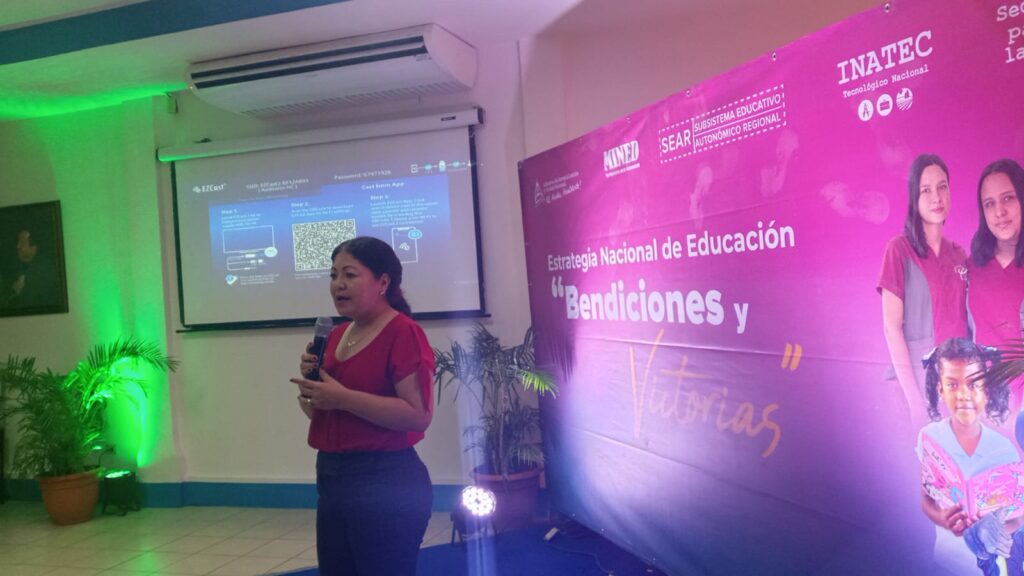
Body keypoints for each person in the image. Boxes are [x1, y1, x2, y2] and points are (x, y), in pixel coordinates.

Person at [290, 236, 434, 576]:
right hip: (333, 477)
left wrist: (341, 397)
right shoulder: (336, 335)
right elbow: (331, 415)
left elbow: (418, 415)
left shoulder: (403, 332)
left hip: (385, 481)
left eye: (350, 275)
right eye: (333, 275)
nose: (338, 284)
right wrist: (314, 395)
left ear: (383, 282)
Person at [878, 154, 969, 428]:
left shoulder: (959, 255)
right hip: (916, 387)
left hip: (956, 388)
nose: (936, 197)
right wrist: (916, 404)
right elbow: (891, 329)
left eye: (942, 187)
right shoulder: (899, 250)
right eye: (926, 190)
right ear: (914, 199)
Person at [917, 337, 1021, 575]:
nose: (963, 395)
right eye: (952, 385)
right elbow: (926, 500)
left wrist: (989, 531)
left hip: (986, 567)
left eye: (973, 384)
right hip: (943, 562)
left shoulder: (1003, 449)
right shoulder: (929, 437)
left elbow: (1017, 518)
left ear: (986, 390)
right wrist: (945, 518)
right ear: (940, 390)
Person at [968, 158, 1024, 359]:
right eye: (989, 204)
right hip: (983, 379)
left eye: (1008, 198)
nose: (999, 212)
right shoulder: (971, 268)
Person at [1, 228, 58, 309]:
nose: (17, 246)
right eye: (18, 242)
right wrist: (12, 292)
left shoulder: (46, 269)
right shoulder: (8, 266)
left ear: (34, 248)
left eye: (22, 243)